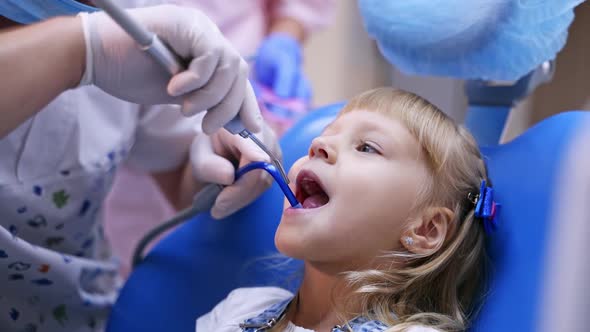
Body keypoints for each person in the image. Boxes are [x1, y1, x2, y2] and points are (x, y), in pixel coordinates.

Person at [0, 2, 280, 331]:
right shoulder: (104, 35)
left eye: (360, 147)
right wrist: (79, 50)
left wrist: (219, 159)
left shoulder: (129, 15)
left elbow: (179, 176)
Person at [197, 88, 493, 331]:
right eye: (327, 133)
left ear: (425, 229)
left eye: (366, 147)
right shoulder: (240, 311)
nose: (318, 144)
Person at [104, 0, 335, 278]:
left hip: (248, 85)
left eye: (367, 147)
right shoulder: (128, 53)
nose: (322, 146)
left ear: (405, 232)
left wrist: (285, 34)